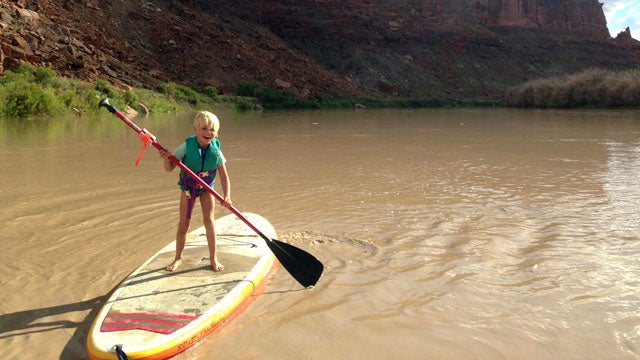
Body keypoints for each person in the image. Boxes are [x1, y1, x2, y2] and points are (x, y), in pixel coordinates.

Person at [158, 110, 232, 272]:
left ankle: (213, 258)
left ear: (216, 133)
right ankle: (178, 258)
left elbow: (224, 176)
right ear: (195, 130)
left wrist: (227, 196)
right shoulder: (187, 146)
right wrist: (166, 159)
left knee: (209, 221)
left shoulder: (216, 150)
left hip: (207, 189)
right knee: (184, 224)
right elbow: (169, 168)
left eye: (212, 129)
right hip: (188, 189)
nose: (208, 132)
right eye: (204, 128)